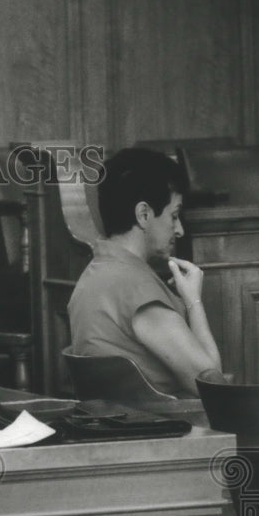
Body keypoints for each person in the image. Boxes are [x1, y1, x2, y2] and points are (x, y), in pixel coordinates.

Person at [68, 148, 224, 397]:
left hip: (120, 425)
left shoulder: (93, 275)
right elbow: (211, 384)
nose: (180, 229)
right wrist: (193, 301)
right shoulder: (137, 289)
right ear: (143, 214)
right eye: (174, 216)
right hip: (172, 427)